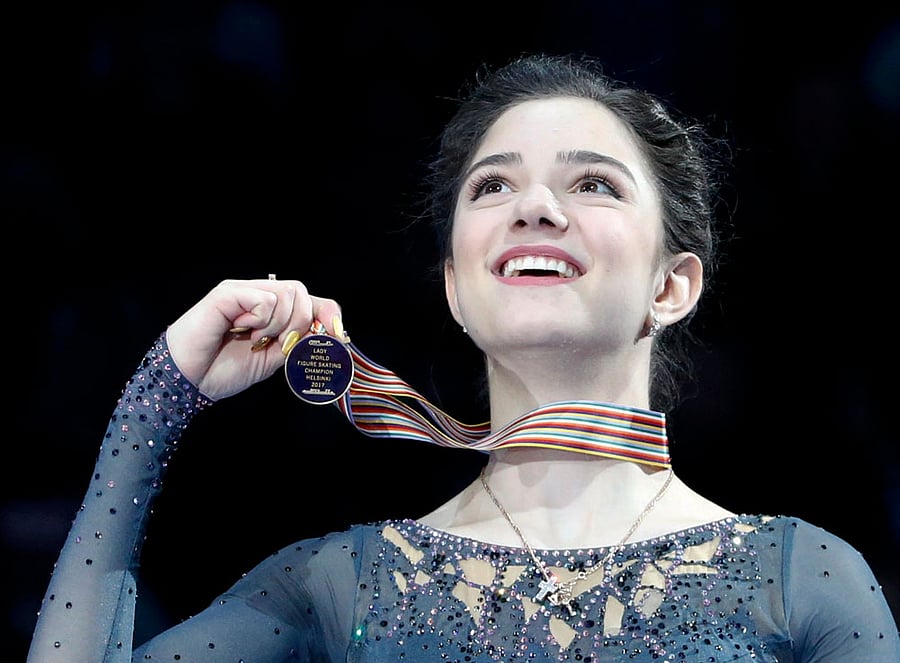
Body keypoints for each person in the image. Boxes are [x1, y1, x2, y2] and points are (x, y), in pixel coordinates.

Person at [26, 52, 900, 662]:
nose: (536, 206)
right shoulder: (341, 586)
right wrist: (160, 394)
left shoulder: (803, 580)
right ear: (456, 285)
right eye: (494, 185)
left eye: (592, 182)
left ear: (671, 286)